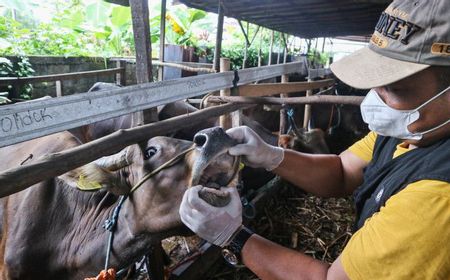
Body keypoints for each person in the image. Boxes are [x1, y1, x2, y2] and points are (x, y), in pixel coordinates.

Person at [179, 0, 450, 278]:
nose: (376, 98)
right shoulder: (410, 130)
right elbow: (343, 171)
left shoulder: (439, 200)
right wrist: (273, 155)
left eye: (395, 87)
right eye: (376, 81)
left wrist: (233, 237)